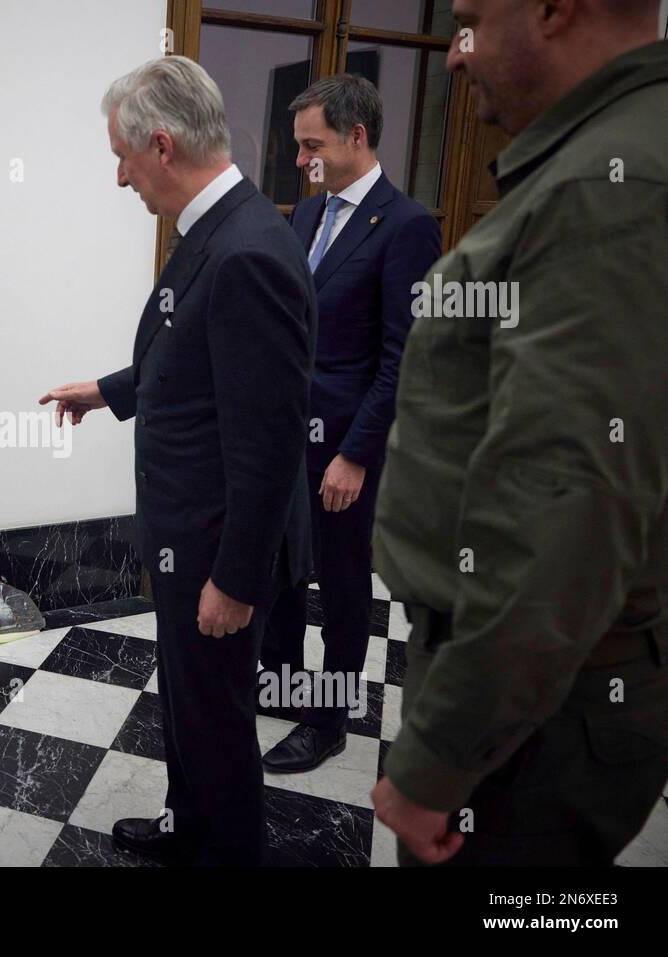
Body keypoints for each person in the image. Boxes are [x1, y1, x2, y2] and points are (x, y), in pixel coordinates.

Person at [371, 0, 668, 866]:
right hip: (541, 693)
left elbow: (565, 513)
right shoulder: (596, 161)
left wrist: (439, 758)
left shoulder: (607, 188)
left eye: (468, 22)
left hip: (538, 721)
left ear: (551, 9)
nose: (454, 58)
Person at [41, 56, 316, 866]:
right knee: (191, 707)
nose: (120, 177)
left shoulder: (247, 252)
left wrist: (234, 579)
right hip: (185, 535)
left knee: (219, 721)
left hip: (218, 547)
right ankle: (188, 826)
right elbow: (191, 357)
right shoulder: (218, 229)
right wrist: (108, 390)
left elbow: (268, 445)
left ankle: (223, 848)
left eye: (123, 157)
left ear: (161, 145)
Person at [259, 75, 442, 772]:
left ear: (356, 137)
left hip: (345, 448)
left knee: (339, 586)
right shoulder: (307, 215)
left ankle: (328, 719)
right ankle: (276, 681)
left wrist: (358, 454)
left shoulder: (406, 226)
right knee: (277, 566)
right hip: (285, 437)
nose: (303, 157)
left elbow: (404, 359)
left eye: (314, 144)